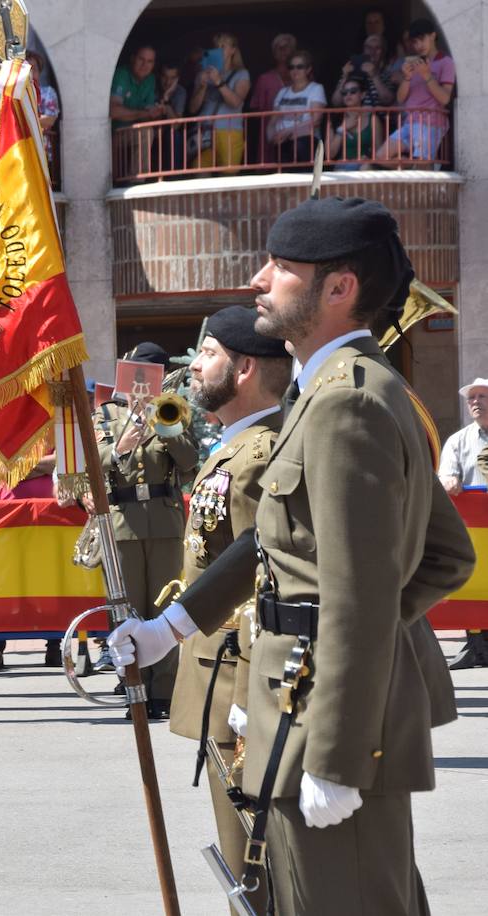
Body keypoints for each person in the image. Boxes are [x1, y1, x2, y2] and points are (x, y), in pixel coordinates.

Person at [109, 196, 475, 916]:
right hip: (298, 701)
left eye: (281, 267)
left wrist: (336, 745)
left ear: (337, 290)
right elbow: (436, 556)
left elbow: (362, 593)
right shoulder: (336, 391)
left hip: (322, 728)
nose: (258, 279)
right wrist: (176, 627)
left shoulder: (348, 403)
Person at [167, 305, 289, 913]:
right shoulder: (235, 444)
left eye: (208, 353)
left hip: (238, 685)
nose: (195, 366)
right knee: (240, 847)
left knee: (254, 855)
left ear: (244, 368)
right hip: (216, 676)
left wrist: (248, 697)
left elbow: (261, 589)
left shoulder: (262, 452)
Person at [92, 341, 199, 718]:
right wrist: (120, 446)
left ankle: (163, 692)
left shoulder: (171, 411)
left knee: (163, 606)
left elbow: (189, 463)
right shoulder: (107, 414)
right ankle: (134, 686)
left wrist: (162, 422)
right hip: (123, 520)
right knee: (127, 607)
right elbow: (95, 461)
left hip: (164, 519)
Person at [438, 376, 488, 670]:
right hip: (475, 532)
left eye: (481, 397)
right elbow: (445, 475)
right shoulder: (458, 441)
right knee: (474, 584)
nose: (475, 403)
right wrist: (449, 480)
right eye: (472, 398)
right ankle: (477, 647)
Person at [373, 18, 454, 165]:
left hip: (431, 123)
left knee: (422, 165)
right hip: (409, 122)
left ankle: (417, 169)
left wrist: (427, 75)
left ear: (433, 36)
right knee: (380, 157)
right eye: (414, 42)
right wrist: (407, 78)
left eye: (421, 39)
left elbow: (445, 99)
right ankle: (411, 167)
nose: (418, 45)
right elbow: (400, 98)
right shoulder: (412, 62)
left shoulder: (446, 62)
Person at [187, 33, 250, 172]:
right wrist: (202, 86)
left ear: (233, 50)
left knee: (228, 175)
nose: (219, 49)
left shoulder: (241, 73)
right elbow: (192, 108)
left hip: (229, 131)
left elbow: (236, 103)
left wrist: (218, 82)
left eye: (223, 46)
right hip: (204, 131)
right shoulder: (203, 73)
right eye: (216, 46)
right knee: (199, 171)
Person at [110, 45, 168, 176]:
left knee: (149, 132)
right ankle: (135, 182)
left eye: (150, 61)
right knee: (146, 132)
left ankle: (137, 180)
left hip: (132, 133)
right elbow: (113, 111)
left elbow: (149, 115)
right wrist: (145, 113)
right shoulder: (122, 74)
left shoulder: (150, 79)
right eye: (141, 59)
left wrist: (157, 111)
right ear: (132, 59)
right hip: (110, 135)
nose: (145, 65)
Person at [267, 51, 326, 164]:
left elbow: (316, 120)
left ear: (308, 69)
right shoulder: (283, 92)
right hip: (282, 142)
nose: (295, 70)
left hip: (306, 141)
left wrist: (288, 132)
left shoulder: (316, 88)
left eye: (300, 67)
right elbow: (273, 119)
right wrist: (271, 137)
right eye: (291, 67)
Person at [327, 77, 383, 169]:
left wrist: (368, 159)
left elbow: (379, 152)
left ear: (362, 95)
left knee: (365, 168)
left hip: (365, 165)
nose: (348, 95)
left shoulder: (373, 119)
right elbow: (330, 154)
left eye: (353, 91)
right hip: (343, 166)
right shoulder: (335, 119)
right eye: (344, 92)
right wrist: (342, 128)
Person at [248, 33, 296, 116]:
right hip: (272, 127)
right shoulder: (265, 79)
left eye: (286, 47)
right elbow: (256, 110)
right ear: (274, 53)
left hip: (301, 127)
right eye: (279, 47)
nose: (282, 49)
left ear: (293, 51)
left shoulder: (302, 75)